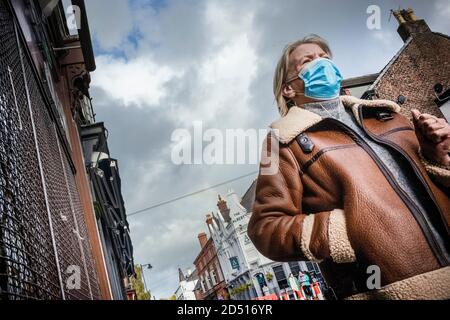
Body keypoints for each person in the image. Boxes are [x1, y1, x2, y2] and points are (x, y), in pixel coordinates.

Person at [247, 34, 450, 300]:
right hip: (396, 289)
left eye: (325, 58)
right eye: (308, 61)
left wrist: (438, 156)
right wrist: (344, 231)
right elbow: (267, 229)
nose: (321, 64)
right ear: (287, 89)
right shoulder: (284, 143)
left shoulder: (387, 116)